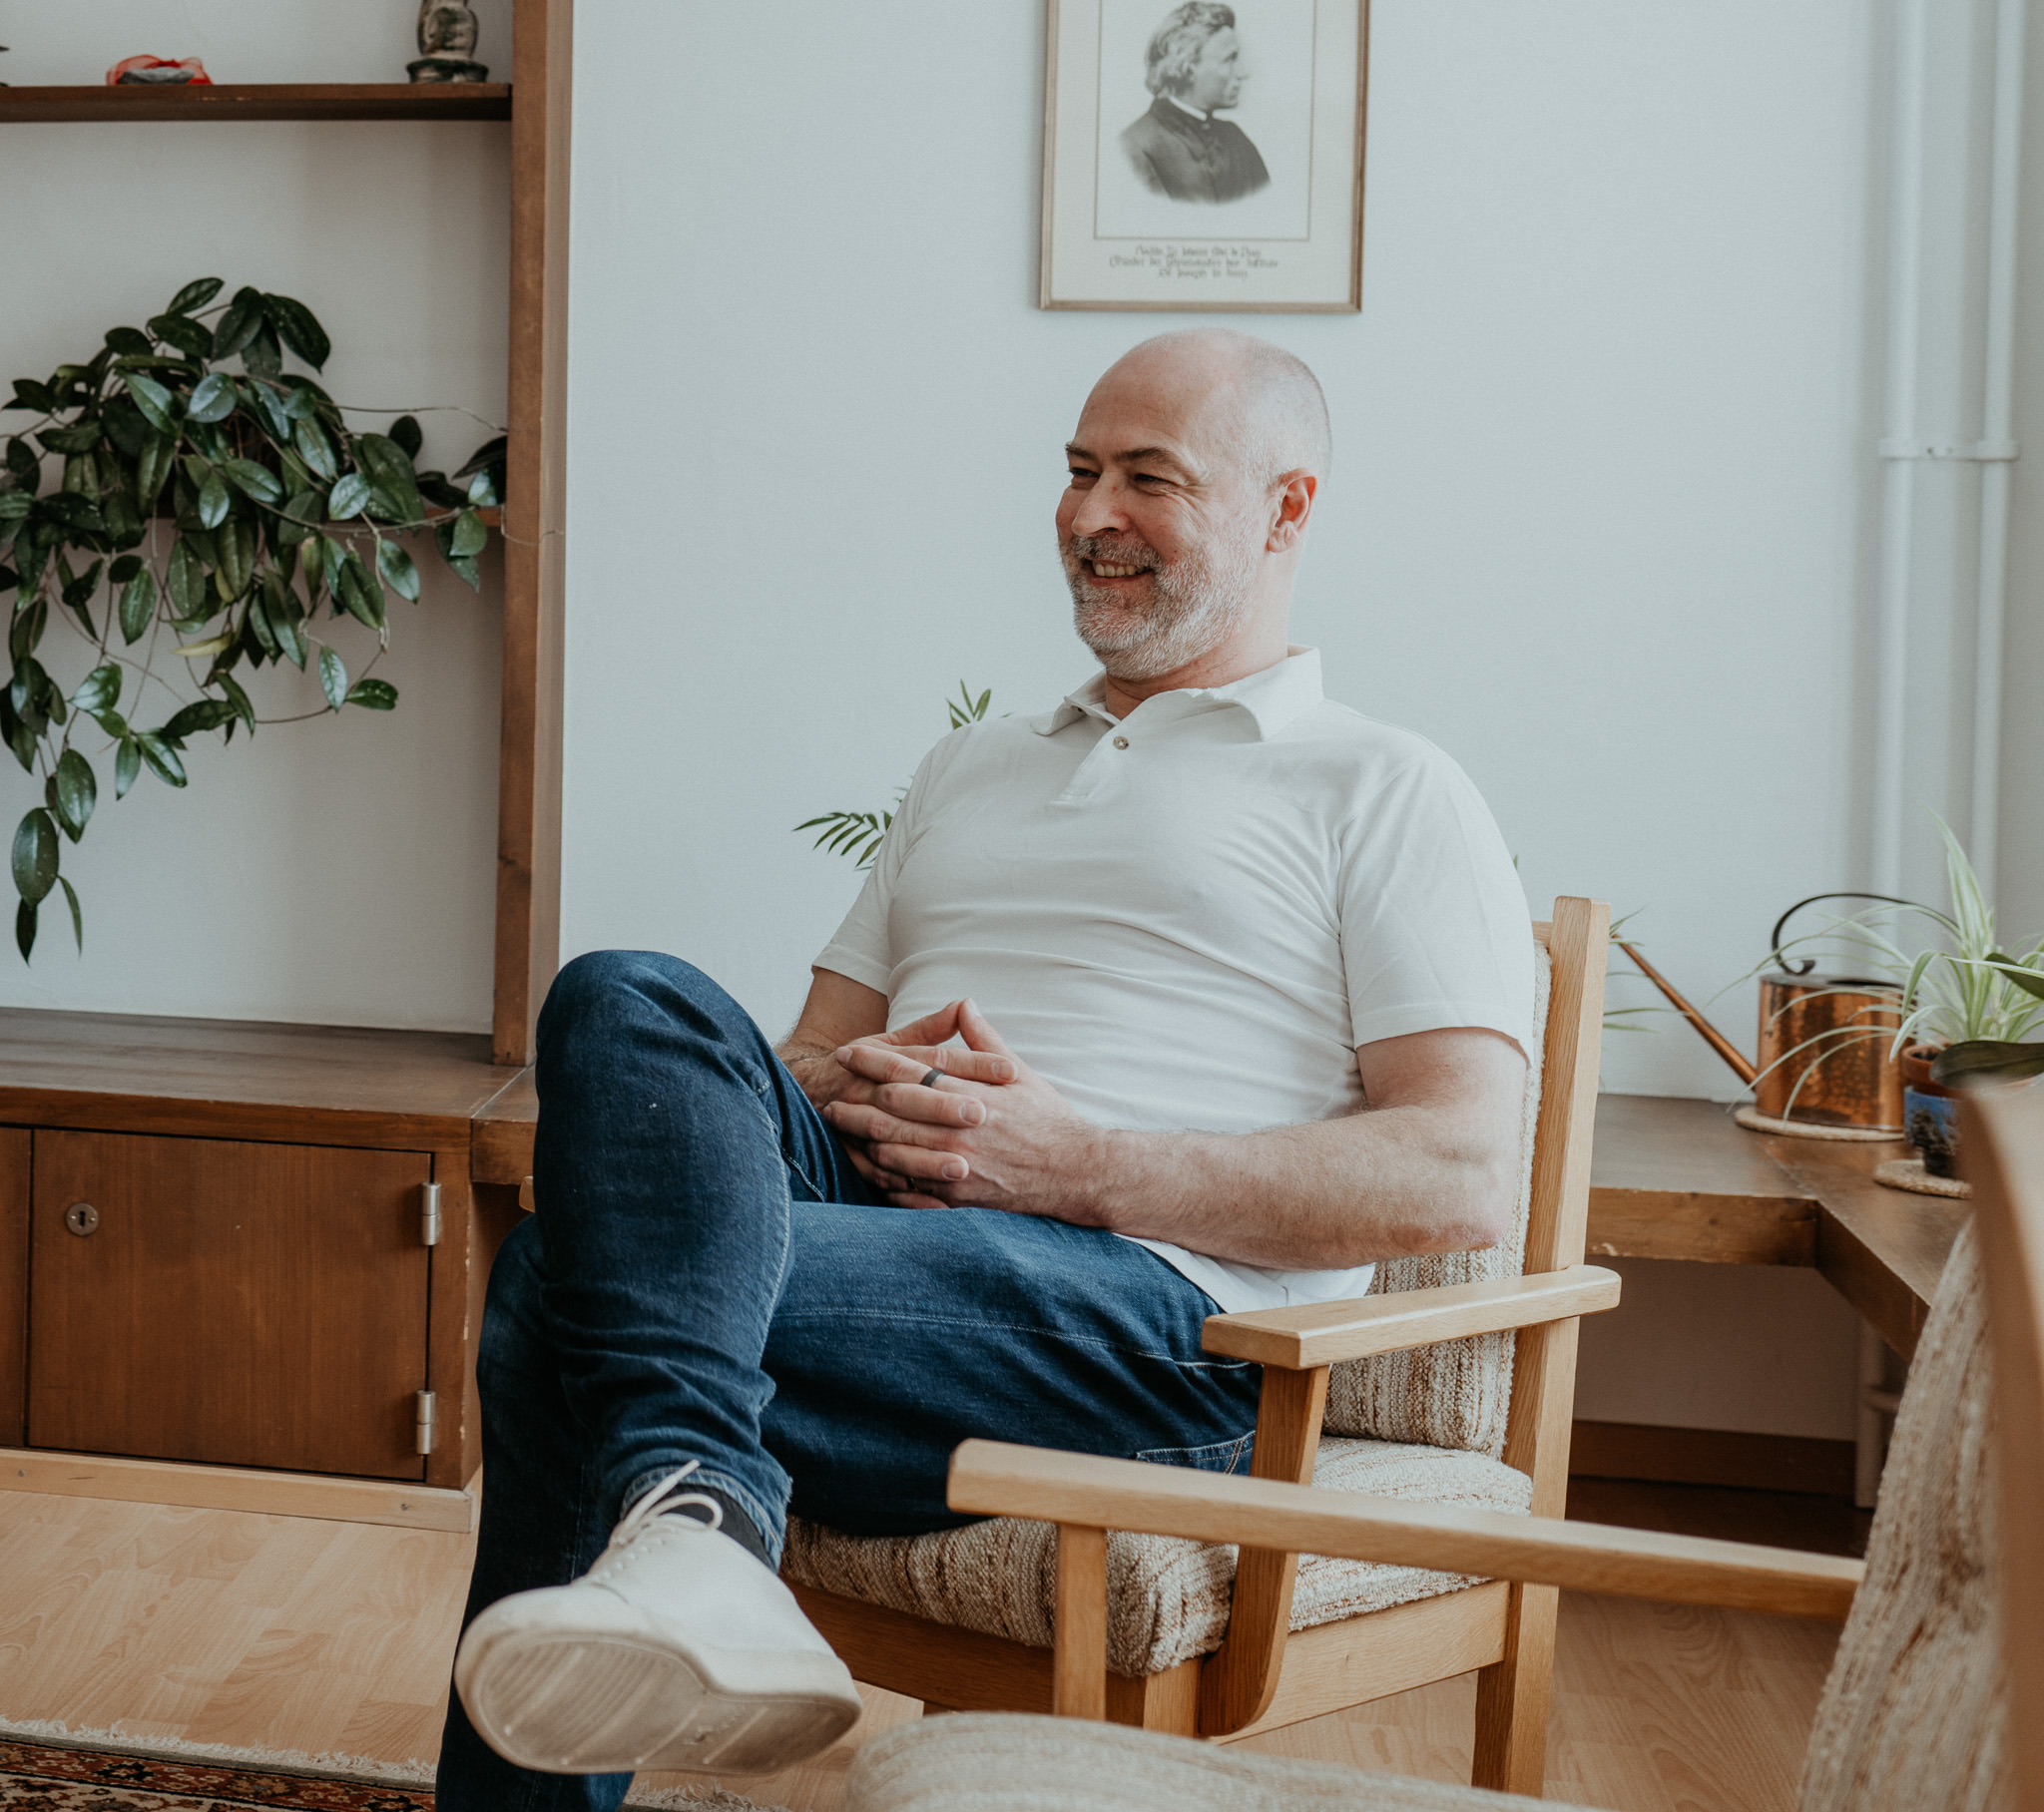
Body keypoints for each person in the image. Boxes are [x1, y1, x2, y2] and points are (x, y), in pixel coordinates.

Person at [435, 329, 1534, 1809]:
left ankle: (694, 1530)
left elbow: (1461, 1174)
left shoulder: (1384, 784)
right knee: (628, 997)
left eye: (1151, 478)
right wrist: (868, 1096)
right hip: (876, 1239)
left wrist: (1072, 1165)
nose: (1092, 517)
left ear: (1287, 510)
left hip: (1149, 1317)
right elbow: (797, 1060)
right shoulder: (973, 767)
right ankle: (699, 1536)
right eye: (1079, 472)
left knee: (559, 1285)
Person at [1121, 3, 1271, 204]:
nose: (1242, 73)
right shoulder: (1135, 147)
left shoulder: (1237, 142)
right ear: (1188, 67)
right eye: (1229, 59)